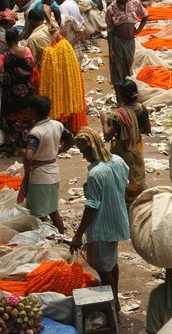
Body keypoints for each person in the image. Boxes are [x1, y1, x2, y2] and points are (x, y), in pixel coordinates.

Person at [70, 127, 130, 312]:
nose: (84, 156)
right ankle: (116, 299)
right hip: (117, 220)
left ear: (92, 148)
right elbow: (125, 185)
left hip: (101, 227)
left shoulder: (96, 173)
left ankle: (112, 306)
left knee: (104, 269)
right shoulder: (118, 161)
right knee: (111, 263)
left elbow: (92, 206)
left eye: (85, 152)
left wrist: (78, 235)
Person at [23, 96, 76, 234]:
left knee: (38, 215)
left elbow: (28, 155)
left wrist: (27, 170)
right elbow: (71, 140)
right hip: (53, 172)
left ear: (34, 111)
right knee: (53, 210)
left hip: (39, 176)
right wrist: (58, 151)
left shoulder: (36, 132)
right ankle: (62, 235)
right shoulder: (57, 125)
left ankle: (42, 240)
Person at [101, 80, 151, 204]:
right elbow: (147, 130)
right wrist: (134, 131)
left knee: (123, 177)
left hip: (122, 150)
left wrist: (104, 121)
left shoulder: (119, 115)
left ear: (121, 96)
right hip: (137, 146)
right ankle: (136, 201)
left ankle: (125, 204)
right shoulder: (142, 110)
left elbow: (107, 136)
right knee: (136, 174)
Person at [0, 29, 35, 156]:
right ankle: (28, 145)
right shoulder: (26, 51)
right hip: (26, 90)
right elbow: (32, 65)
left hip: (10, 92)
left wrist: (2, 82)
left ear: (6, 41)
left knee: (10, 118)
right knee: (28, 116)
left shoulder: (3, 56)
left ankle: (15, 149)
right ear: (17, 39)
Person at [105, 0, 148, 105]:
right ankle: (119, 101)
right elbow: (109, 30)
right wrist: (111, 50)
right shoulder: (111, 9)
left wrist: (139, 30)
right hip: (117, 40)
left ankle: (127, 97)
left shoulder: (134, 3)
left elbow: (145, 15)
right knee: (117, 69)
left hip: (130, 41)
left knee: (127, 68)